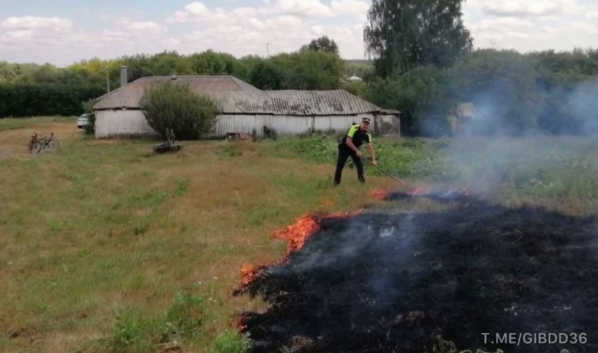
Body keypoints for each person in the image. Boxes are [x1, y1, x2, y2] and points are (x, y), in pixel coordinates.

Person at [334, 117, 377, 186]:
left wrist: (373, 160)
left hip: (355, 149)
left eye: (367, 124)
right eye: (364, 124)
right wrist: (357, 151)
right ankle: (336, 183)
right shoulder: (354, 128)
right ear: (360, 123)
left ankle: (362, 183)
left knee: (359, 165)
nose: (365, 126)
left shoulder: (367, 134)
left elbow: (370, 147)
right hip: (345, 147)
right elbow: (348, 142)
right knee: (340, 165)